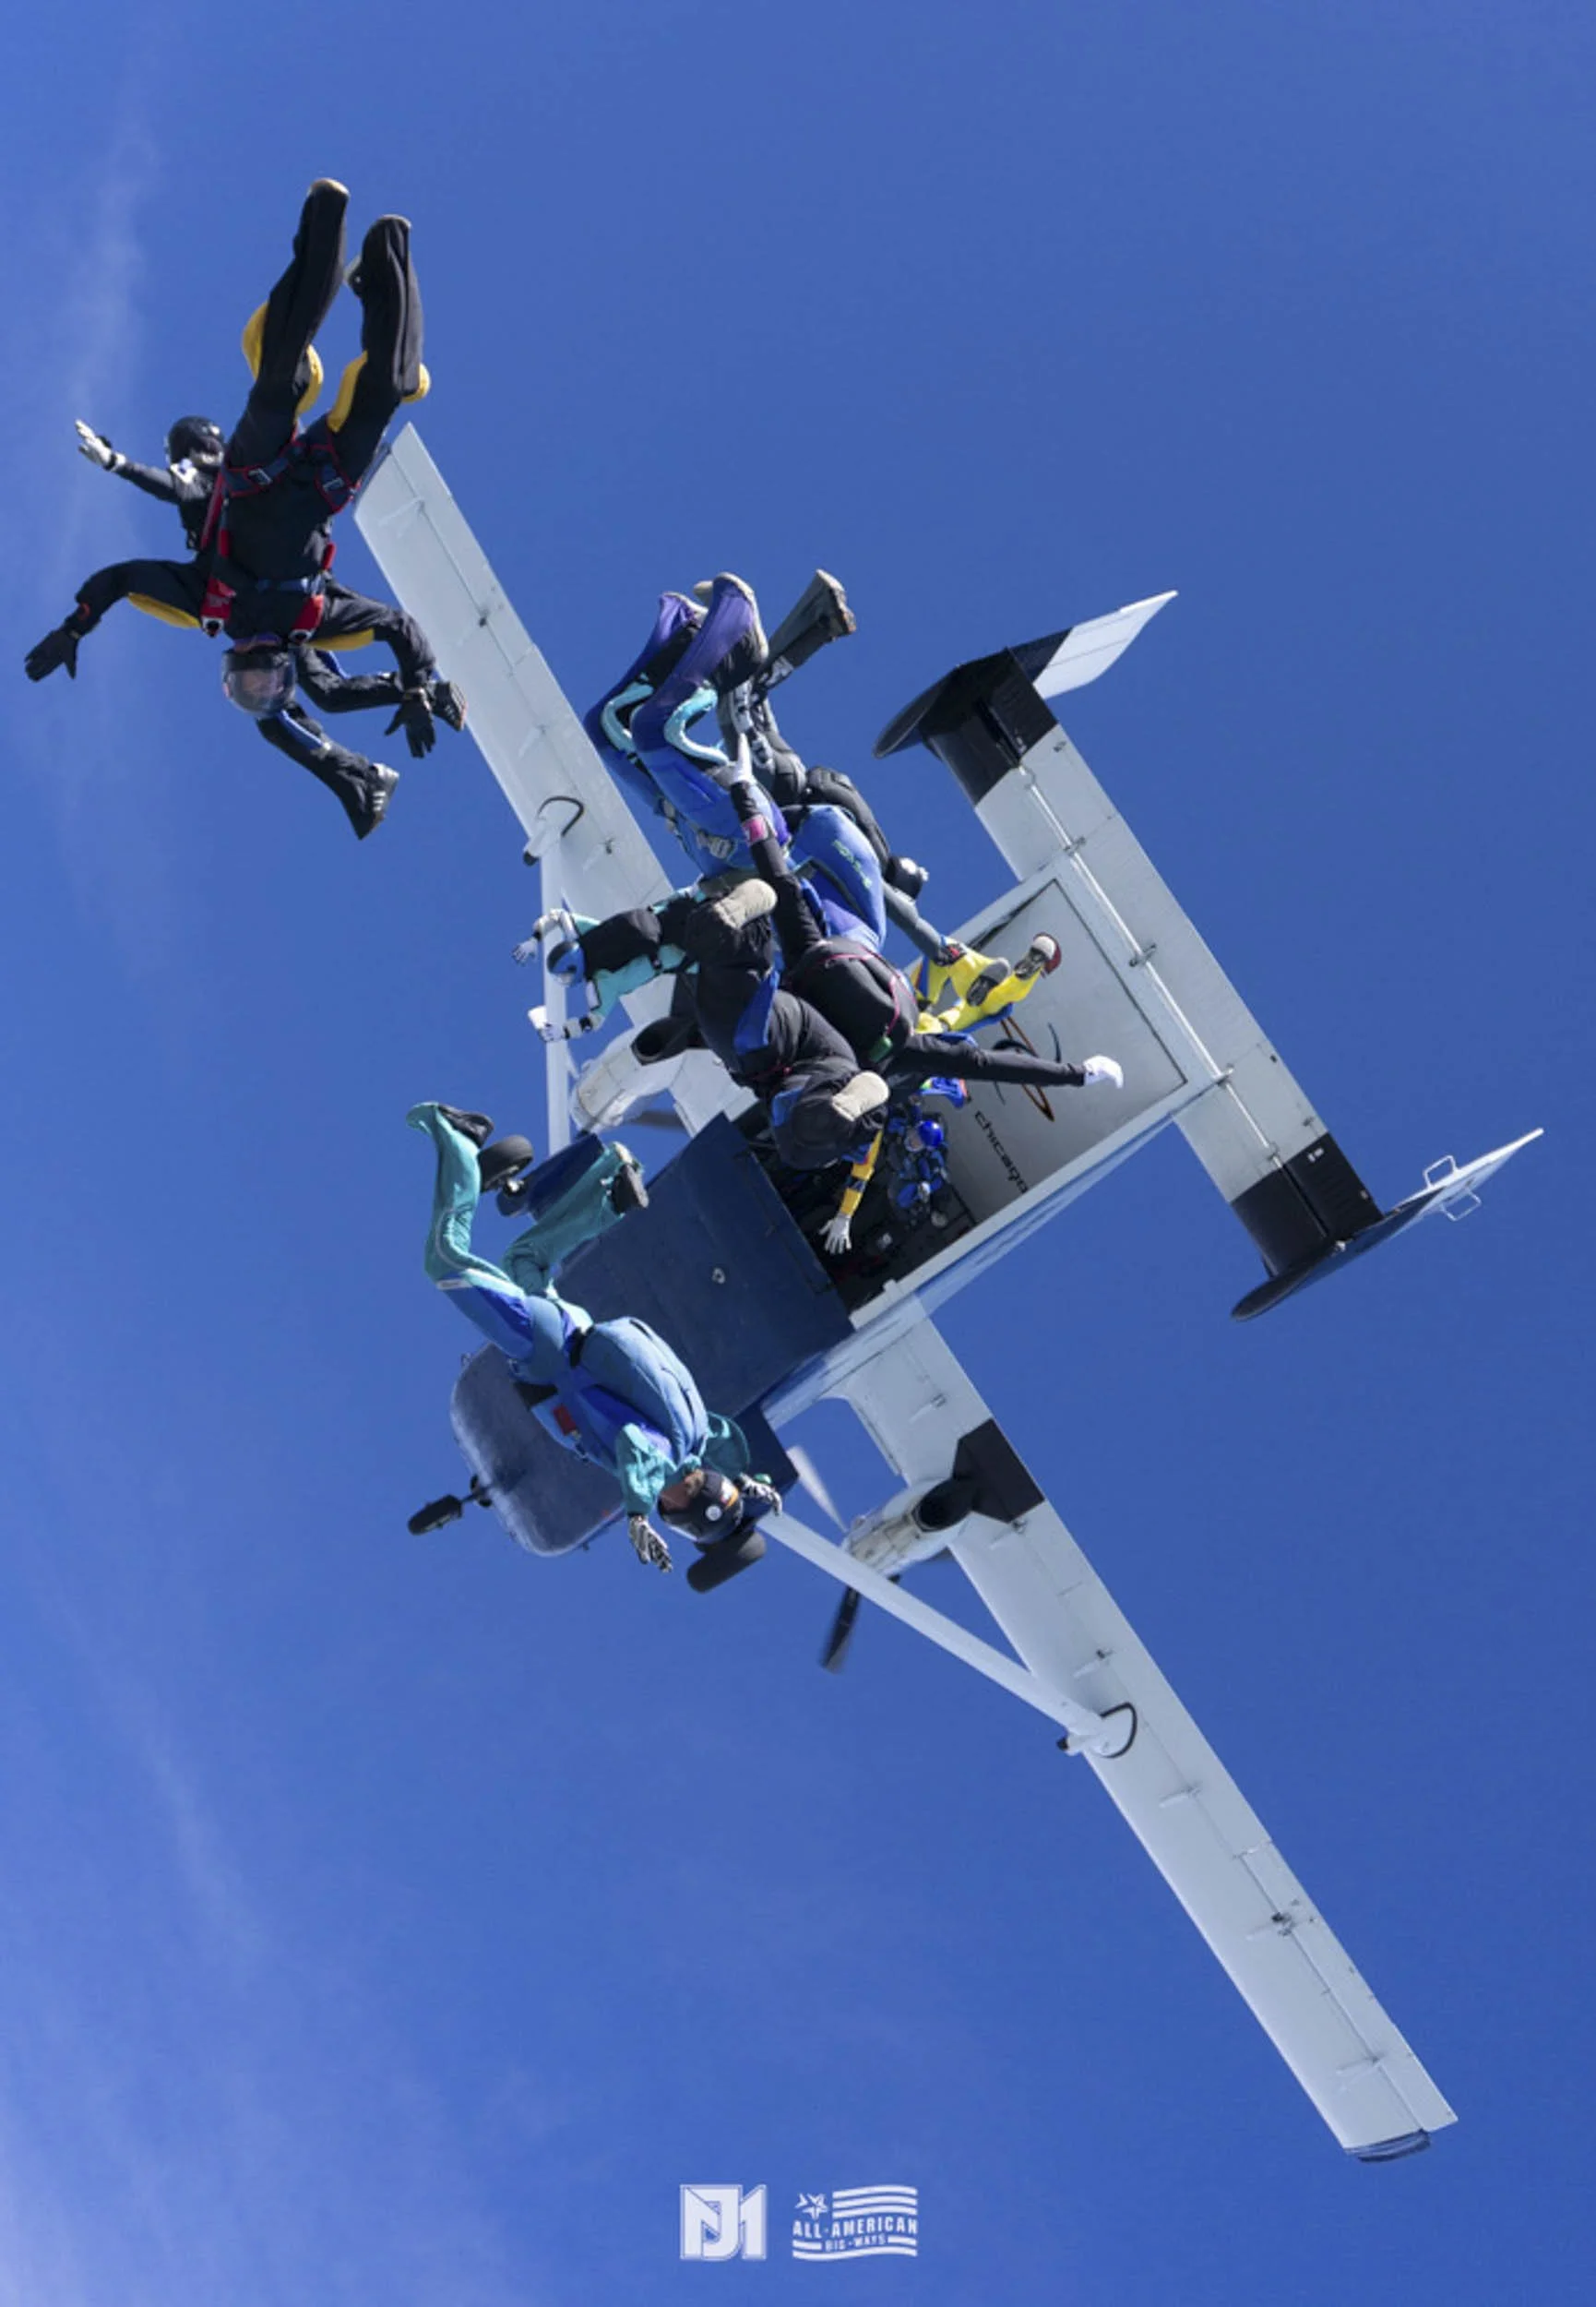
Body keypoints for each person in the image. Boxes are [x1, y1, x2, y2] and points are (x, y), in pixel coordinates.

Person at [27, 185, 457, 831]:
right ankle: (387, 252)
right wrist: (418, 684)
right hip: (321, 488)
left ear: (230, 670)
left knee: (280, 380)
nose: (257, 675)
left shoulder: (208, 604)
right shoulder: (309, 622)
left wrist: (75, 625)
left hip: (256, 478)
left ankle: (325, 223)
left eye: (245, 683)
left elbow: (121, 578)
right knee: (383, 390)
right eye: (265, 683)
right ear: (278, 669)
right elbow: (397, 626)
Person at [409, 1103, 780, 1572]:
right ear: (680, 1509)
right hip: (545, 1350)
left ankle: (608, 1192)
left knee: (525, 1260)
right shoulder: (663, 1460)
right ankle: (459, 1136)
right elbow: (635, 1445)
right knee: (444, 1260)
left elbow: (723, 1437)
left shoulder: (696, 1437)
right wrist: (638, 1512)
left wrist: (742, 1479)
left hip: (571, 1330)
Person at [586, 570, 950, 958]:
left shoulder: (834, 904)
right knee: (705, 716)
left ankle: (694, 631)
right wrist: (945, 952)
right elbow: (904, 915)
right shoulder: (863, 894)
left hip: (709, 829)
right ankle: (735, 630)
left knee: (606, 729)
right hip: (755, 818)